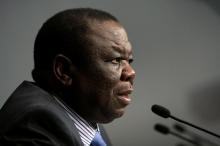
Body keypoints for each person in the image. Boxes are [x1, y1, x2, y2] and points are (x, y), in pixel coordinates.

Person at [0, 8, 135, 146]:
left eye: (129, 60)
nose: (130, 72)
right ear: (64, 71)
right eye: (115, 60)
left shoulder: (91, 127)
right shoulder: (36, 124)